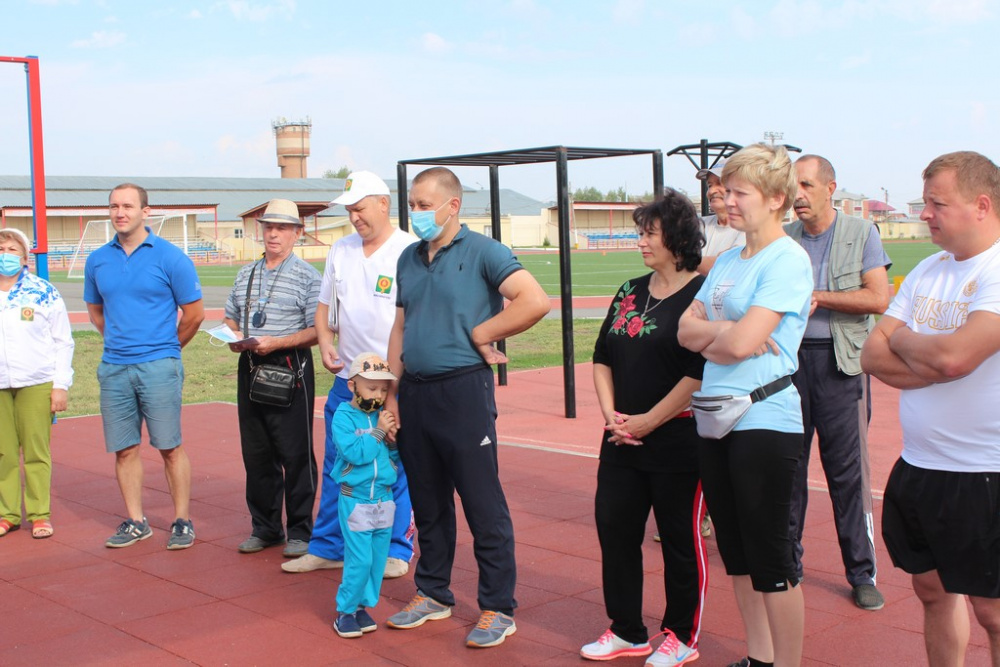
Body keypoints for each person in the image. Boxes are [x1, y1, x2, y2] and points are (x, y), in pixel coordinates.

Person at [383, 167, 550, 649]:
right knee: (428, 502)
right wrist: (391, 392)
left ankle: (498, 606)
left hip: (463, 392)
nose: (415, 213)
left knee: (481, 502)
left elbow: (535, 300)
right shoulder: (408, 257)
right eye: (411, 205)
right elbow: (400, 327)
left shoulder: (485, 251)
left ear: (452, 206)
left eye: (423, 205)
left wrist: (484, 332)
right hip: (415, 393)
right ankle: (433, 593)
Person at [861, 151, 1000, 666]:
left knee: (993, 611)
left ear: (981, 205)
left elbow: (955, 357)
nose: (924, 214)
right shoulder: (928, 268)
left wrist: (917, 346)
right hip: (920, 465)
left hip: (986, 472)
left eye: (937, 203)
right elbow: (871, 355)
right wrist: (940, 359)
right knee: (933, 591)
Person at [678, 143, 813, 667]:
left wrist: (720, 335)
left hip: (765, 418)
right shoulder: (730, 260)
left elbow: (735, 345)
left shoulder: (787, 260)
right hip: (716, 417)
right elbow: (685, 332)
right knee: (735, 554)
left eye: (740, 193)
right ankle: (759, 657)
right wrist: (728, 330)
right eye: (726, 192)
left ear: (776, 199)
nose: (727, 202)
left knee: (771, 558)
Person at [580, 192, 709, 666]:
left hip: (678, 440)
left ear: (678, 238)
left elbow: (700, 372)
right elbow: (602, 357)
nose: (641, 242)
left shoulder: (703, 296)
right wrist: (612, 415)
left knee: (679, 541)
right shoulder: (629, 291)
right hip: (620, 438)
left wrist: (650, 420)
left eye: (649, 233)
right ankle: (626, 630)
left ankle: (681, 635)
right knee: (615, 532)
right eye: (640, 233)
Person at [283, 171, 415, 577]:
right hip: (349, 382)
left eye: (360, 208)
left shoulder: (409, 250)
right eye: (350, 210)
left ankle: (395, 549)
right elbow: (325, 307)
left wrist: (395, 384)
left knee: (393, 464)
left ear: (383, 204)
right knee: (340, 463)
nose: (355, 217)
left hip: (395, 382)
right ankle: (329, 546)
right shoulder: (341, 249)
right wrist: (325, 341)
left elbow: (413, 319)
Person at [784, 154, 891, 611]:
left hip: (841, 365)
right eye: (793, 186)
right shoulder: (783, 238)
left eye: (806, 185)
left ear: (831, 188)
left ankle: (862, 572)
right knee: (788, 469)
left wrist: (818, 298)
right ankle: (788, 565)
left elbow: (878, 298)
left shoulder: (861, 232)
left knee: (848, 474)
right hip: (788, 367)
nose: (797, 195)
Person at [85, 183, 204, 550]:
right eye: (114, 206)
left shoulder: (170, 258)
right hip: (114, 368)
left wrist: (166, 349)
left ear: (145, 211)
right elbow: (96, 311)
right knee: (124, 449)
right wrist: (120, 343)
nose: (120, 213)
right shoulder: (97, 260)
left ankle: (182, 520)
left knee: (170, 446)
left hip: (159, 367)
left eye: (128, 206)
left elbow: (194, 314)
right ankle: (137, 521)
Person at [223, 198, 321, 557]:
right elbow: (231, 316)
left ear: (297, 233)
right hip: (250, 363)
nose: (273, 234)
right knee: (257, 452)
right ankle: (265, 528)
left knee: (295, 453)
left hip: (289, 363)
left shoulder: (309, 277)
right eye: (268, 227)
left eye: (282, 228)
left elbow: (318, 330)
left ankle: (300, 530)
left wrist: (276, 342)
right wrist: (233, 335)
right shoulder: (246, 273)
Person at [0, 228, 74, 539]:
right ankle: (7, 514)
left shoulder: (43, 291)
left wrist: (60, 385)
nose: (5, 254)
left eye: (12, 249)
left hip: (36, 381)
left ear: (24, 256)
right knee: (3, 453)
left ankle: (39, 514)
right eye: (1, 248)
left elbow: (63, 341)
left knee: (35, 451)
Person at [331, 352, 400, 639]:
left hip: (384, 499)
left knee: (376, 560)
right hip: (356, 499)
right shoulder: (344, 417)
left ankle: (362, 606)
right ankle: (345, 611)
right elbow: (356, 454)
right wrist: (378, 433)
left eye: (384, 389)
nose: (379, 395)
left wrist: (393, 443)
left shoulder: (382, 417)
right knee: (359, 560)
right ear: (352, 386)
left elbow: (391, 458)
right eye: (371, 388)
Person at [696, 158, 745, 276]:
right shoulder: (699, 224)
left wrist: (686, 262)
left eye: (720, 183)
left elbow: (728, 267)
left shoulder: (749, 227)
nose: (711, 191)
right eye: (710, 185)